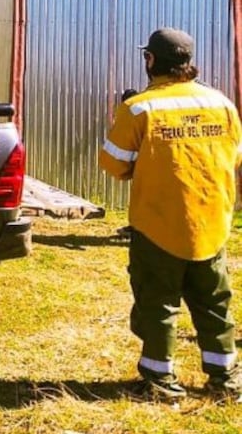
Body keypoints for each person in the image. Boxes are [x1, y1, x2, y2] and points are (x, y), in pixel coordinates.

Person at [99, 27, 242, 402]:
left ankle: (160, 381)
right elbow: (234, 156)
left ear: (150, 60)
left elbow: (114, 164)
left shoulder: (139, 108)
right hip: (211, 225)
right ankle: (225, 380)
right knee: (215, 305)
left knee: (157, 304)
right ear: (188, 62)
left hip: (158, 225)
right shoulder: (222, 104)